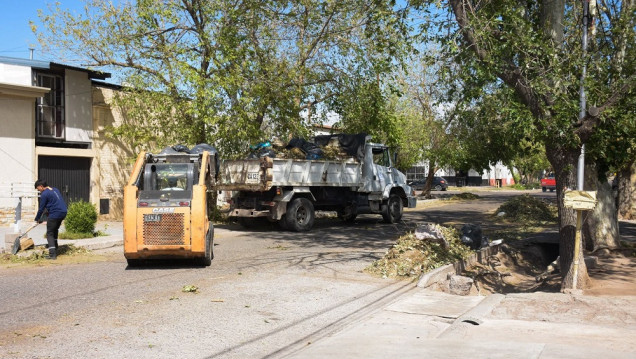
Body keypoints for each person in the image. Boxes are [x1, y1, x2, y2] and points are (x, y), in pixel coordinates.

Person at [34, 180, 68, 260]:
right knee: (54, 230)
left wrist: (36, 219)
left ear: (41, 186)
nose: (38, 190)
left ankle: (52, 255)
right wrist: (46, 215)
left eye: (38, 189)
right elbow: (54, 203)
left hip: (55, 213)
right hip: (63, 212)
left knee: (49, 233)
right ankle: (55, 249)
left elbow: (41, 208)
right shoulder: (55, 189)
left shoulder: (44, 194)